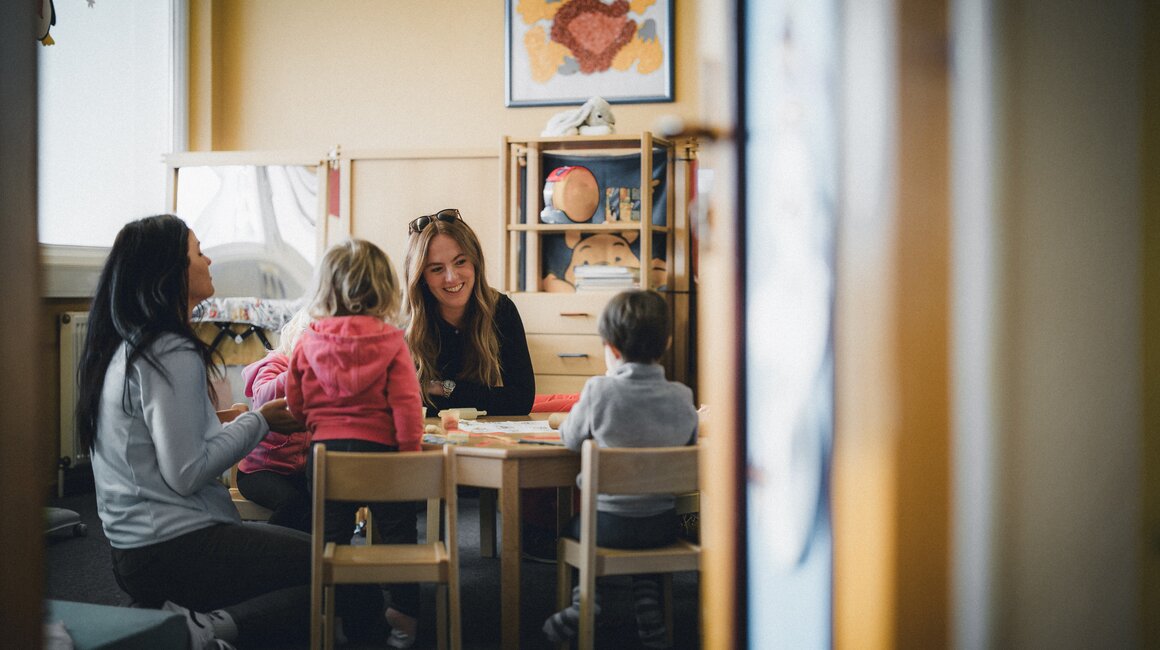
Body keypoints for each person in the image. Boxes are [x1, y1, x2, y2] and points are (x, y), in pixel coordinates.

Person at [75, 214, 311, 650]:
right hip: (173, 548)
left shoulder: (130, 344)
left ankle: (179, 616)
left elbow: (160, 443)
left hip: (136, 552)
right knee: (333, 572)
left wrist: (223, 420)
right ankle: (204, 631)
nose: (209, 262)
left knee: (310, 558)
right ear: (171, 271)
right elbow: (186, 472)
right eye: (199, 253)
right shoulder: (170, 348)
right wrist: (259, 421)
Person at [284, 238, 425, 648]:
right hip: (381, 454)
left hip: (326, 454)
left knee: (330, 541)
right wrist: (410, 454)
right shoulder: (391, 340)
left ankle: (338, 611)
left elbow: (296, 401)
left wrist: (312, 421)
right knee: (399, 535)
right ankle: (404, 616)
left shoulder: (308, 340)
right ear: (383, 288)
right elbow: (406, 404)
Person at [541, 289, 698, 649]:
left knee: (577, 525)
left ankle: (586, 603)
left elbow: (570, 439)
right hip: (661, 526)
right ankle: (649, 612)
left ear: (610, 349)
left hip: (607, 527)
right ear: (667, 342)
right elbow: (688, 444)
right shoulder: (682, 396)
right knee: (639, 529)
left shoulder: (598, 391)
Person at [402, 208, 535, 417]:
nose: (452, 277)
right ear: (421, 278)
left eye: (460, 262)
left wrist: (440, 388)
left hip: (483, 439)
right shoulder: (405, 322)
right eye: (436, 269)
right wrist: (481, 397)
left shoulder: (501, 309)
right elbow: (399, 399)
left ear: (475, 262)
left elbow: (521, 400)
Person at [233, 308, 313, 533]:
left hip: (297, 471)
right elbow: (262, 396)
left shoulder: (319, 378)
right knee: (293, 504)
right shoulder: (276, 364)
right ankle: (270, 552)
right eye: (307, 336)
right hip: (258, 472)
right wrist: (296, 372)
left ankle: (307, 557)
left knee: (323, 502)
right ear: (292, 335)